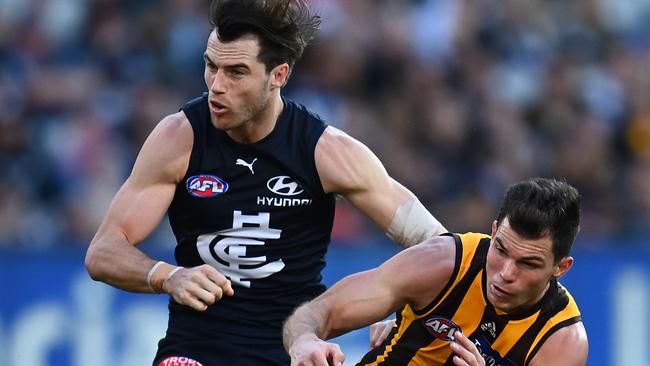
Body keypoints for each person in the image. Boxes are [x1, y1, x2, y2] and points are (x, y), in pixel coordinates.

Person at [84, 0, 446, 365]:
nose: (217, 86)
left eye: (236, 72)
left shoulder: (327, 152)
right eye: (211, 66)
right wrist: (168, 276)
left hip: (294, 351)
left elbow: (442, 248)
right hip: (195, 351)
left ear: (278, 75)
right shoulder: (179, 138)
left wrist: (402, 317)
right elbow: (103, 252)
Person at [283, 178, 589, 366]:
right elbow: (316, 312)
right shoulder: (444, 262)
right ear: (493, 232)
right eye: (501, 250)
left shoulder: (561, 342)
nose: (506, 273)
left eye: (528, 263)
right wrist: (305, 340)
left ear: (561, 267)